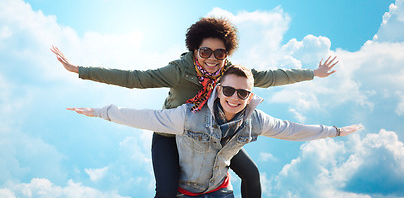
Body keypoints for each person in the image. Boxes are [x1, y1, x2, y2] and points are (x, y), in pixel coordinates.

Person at [52, 17, 338, 198]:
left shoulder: (232, 73)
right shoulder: (179, 70)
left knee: (251, 174)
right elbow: (134, 78)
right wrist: (78, 69)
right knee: (166, 191)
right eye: (205, 52)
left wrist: (313, 73)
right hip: (172, 132)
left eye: (219, 53)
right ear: (194, 51)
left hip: (211, 134)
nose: (212, 59)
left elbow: (271, 77)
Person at [68, 64, 361, 198]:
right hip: (185, 191)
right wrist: (100, 111)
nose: (235, 97)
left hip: (220, 192)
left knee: (252, 173)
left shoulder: (254, 119)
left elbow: (292, 129)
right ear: (218, 89)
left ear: (249, 95)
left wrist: (334, 131)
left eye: (242, 94)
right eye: (229, 91)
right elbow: (145, 116)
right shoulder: (188, 115)